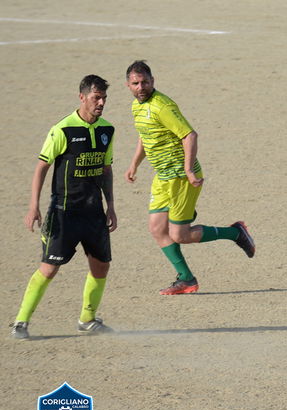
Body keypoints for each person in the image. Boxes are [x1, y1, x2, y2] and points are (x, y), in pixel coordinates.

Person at [124, 60, 255, 295]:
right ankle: (186, 279)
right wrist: (134, 164)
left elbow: (190, 135)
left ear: (153, 81)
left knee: (179, 235)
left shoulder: (162, 106)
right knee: (156, 229)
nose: (140, 87)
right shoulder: (137, 107)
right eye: (135, 83)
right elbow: (145, 135)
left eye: (145, 82)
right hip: (162, 176)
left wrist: (188, 169)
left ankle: (235, 232)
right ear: (128, 85)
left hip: (182, 178)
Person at [10, 75, 117, 339]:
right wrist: (33, 206)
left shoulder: (107, 130)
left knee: (101, 265)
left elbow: (106, 169)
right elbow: (41, 167)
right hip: (64, 212)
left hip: (93, 212)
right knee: (49, 268)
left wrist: (111, 205)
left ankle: (87, 319)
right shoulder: (63, 129)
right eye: (96, 98)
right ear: (82, 97)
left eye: (104, 98)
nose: (101, 102)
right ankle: (21, 322)